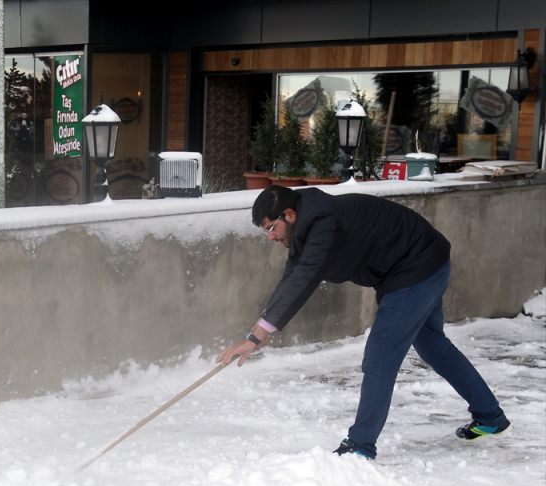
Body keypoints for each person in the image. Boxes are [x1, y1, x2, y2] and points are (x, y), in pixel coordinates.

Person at [216, 185, 509, 459]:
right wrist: (257, 332)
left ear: (289, 215)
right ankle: (490, 417)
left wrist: (258, 335)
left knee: (380, 357)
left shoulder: (321, 223)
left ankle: (360, 445)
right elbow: (292, 277)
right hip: (422, 262)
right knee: (433, 346)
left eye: (271, 228)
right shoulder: (308, 226)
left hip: (415, 269)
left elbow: (306, 276)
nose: (270, 237)